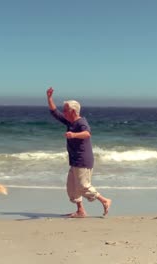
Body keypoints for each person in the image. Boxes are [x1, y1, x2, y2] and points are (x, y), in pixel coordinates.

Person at [46, 87, 112, 218]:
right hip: (75, 160)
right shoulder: (70, 121)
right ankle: (80, 211)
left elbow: (87, 133)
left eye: (65, 110)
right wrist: (49, 98)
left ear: (73, 111)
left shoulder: (81, 122)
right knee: (72, 187)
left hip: (83, 160)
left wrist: (73, 135)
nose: (63, 112)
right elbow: (54, 112)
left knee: (83, 186)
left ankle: (105, 200)